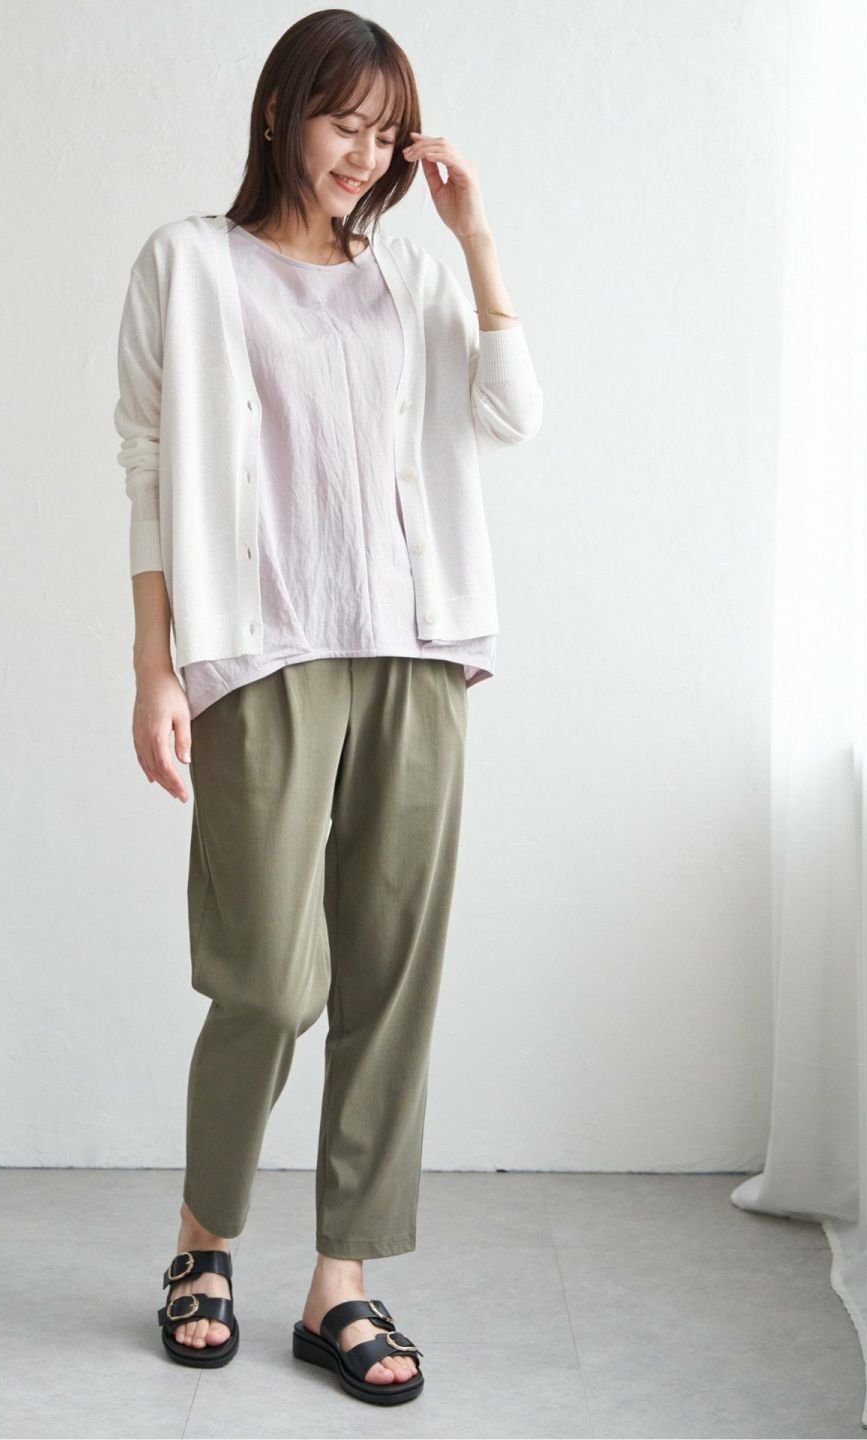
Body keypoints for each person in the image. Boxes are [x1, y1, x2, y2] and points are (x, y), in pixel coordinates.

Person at [114, 8, 542, 1406]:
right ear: (279, 112)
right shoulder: (188, 264)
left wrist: (475, 240)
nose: (362, 153)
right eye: (341, 122)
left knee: (390, 974)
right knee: (270, 978)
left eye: (385, 131)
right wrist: (154, 666)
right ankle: (203, 1242)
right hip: (266, 654)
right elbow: (147, 469)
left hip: (417, 650)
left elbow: (512, 415)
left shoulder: (411, 275)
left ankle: (342, 1283)